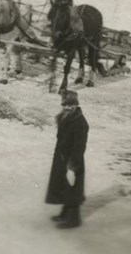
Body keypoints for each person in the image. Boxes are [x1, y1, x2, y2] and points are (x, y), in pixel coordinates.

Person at [45, 90, 89, 229]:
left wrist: (73, 163)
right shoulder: (64, 117)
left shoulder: (79, 122)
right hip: (62, 158)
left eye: (71, 105)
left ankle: (73, 220)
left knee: (71, 190)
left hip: (72, 160)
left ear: (76, 105)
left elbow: (80, 145)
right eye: (65, 105)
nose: (68, 107)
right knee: (64, 186)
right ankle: (65, 214)